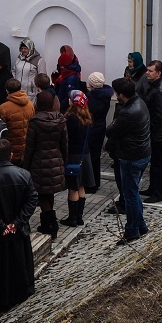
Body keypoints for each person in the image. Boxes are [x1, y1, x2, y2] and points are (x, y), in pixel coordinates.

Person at [0, 136, 38, 309]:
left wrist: (0, 225)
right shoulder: (24, 175)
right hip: (17, 232)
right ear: (11, 155)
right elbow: (32, 199)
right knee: (18, 264)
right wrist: (17, 223)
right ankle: (21, 291)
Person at [105, 79, 152, 244]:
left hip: (131, 157)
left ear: (121, 94)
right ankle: (141, 225)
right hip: (142, 153)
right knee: (133, 193)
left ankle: (132, 231)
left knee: (130, 195)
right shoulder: (140, 102)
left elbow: (110, 131)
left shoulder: (128, 112)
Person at [22, 91, 68, 237]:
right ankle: (49, 223)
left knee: (42, 194)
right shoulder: (61, 120)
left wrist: (26, 166)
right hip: (56, 161)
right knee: (50, 192)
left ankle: (50, 225)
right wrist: (64, 162)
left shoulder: (35, 122)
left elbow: (29, 147)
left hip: (39, 163)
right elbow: (65, 144)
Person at [62, 89, 95, 226]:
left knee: (73, 187)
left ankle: (72, 218)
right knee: (81, 186)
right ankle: (80, 216)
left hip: (74, 155)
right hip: (84, 154)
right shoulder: (86, 117)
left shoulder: (71, 118)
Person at [140, 59, 162, 203]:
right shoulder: (154, 85)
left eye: (150, 71)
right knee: (154, 163)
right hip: (153, 130)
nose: (147, 73)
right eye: (147, 70)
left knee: (159, 163)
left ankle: (158, 193)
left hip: (156, 132)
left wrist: (152, 132)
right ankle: (153, 188)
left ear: (158, 73)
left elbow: (159, 115)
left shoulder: (159, 91)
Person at [85, 71, 112, 192]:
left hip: (93, 128)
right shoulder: (104, 96)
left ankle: (91, 184)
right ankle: (95, 181)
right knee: (95, 156)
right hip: (100, 126)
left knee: (91, 156)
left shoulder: (93, 100)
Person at [0, 77, 34, 163]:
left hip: (10, 150)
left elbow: (1, 131)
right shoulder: (30, 105)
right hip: (26, 149)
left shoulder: (3, 108)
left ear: (7, 91)